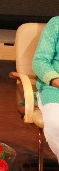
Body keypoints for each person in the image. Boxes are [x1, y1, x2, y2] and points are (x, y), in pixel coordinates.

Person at [32, 16, 59, 161]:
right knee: (56, 122)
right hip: (54, 90)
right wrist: (56, 80)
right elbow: (40, 61)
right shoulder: (56, 24)